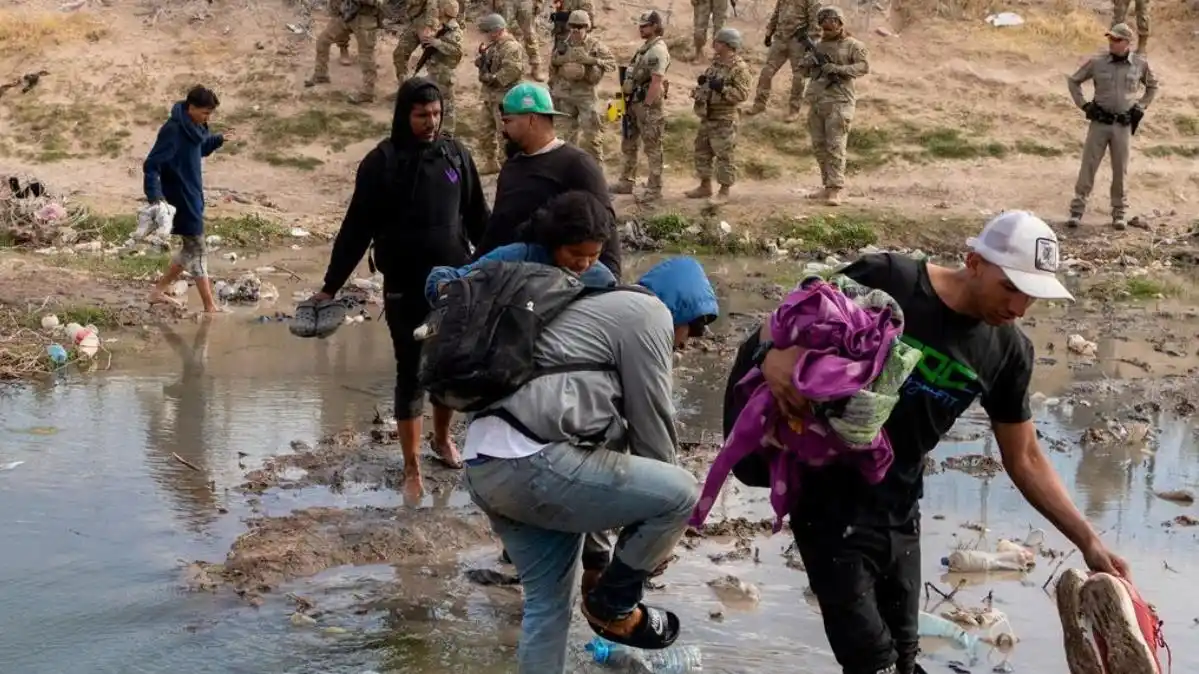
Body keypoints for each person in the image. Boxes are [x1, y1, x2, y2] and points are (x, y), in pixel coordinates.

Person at [723, 211, 1129, 674]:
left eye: (1031, 296)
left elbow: (1026, 457)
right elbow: (788, 317)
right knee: (872, 660)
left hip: (899, 508)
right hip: (825, 498)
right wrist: (770, 354)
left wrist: (1089, 541)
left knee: (905, 658)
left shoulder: (1009, 353)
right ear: (974, 262)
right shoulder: (891, 278)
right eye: (1010, 288)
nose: (1018, 308)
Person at [460, 260, 699, 674]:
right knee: (682, 494)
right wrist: (649, 549)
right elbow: (652, 427)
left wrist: (599, 561)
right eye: (687, 336)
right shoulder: (650, 314)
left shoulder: (585, 315)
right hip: (534, 461)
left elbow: (593, 463)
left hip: (485, 465)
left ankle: (609, 598)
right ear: (687, 312)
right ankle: (615, 605)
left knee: (548, 610)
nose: (682, 347)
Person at [311, 77, 489, 498]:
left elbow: (480, 218)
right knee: (411, 371)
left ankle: (442, 439)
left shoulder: (456, 155)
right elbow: (355, 229)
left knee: (445, 366)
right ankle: (412, 468)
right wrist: (330, 286)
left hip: (454, 284)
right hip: (403, 287)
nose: (431, 122)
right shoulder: (382, 162)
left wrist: (497, 267)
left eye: (436, 113)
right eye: (421, 115)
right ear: (404, 114)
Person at [477, 82, 623, 280]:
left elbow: (605, 228)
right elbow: (498, 227)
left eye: (508, 121)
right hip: (512, 282)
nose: (503, 129)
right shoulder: (512, 166)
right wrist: (473, 267)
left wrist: (610, 285)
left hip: (557, 285)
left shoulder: (577, 165)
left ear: (531, 120)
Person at [425, 190, 617, 303]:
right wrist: (451, 291)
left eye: (593, 255)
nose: (584, 264)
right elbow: (441, 279)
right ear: (553, 241)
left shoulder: (601, 280)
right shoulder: (514, 259)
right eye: (575, 253)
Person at [144, 86, 229, 313]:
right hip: (179, 198)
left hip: (193, 195)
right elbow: (152, 165)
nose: (207, 118)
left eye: (210, 114)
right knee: (197, 247)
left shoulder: (194, 128)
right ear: (191, 107)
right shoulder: (172, 130)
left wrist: (218, 140)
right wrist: (155, 198)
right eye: (204, 113)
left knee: (191, 249)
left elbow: (197, 149)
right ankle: (209, 306)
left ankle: (158, 291)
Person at [1065, 23, 1158, 231]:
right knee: (1088, 166)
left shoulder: (1139, 64)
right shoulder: (1098, 63)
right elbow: (1074, 81)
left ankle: (1119, 214)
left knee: (1120, 170)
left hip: (1122, 125)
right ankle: (1077, 211)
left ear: (1127, 43)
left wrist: (1140, 107)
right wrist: (1085, 106)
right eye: (1110, 39)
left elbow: (1153, 86)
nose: (1112, 43)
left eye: (1116, 40)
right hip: (1100, 122)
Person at [804, 6, 868, 207]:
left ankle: (835, 189)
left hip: (840, 101)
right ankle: (826, 186)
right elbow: (803, 72)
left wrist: (838, 69)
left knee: (835, 145)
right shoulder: (817, 45)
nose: (827, 31)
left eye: (831, 26)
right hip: (817, 101)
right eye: (824, 28)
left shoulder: (853, 45)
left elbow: (863, 67)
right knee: (819, 146)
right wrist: (809, 62)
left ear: (840, 24)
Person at [611, 11, 671, 205]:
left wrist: (646, 106)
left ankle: (654, 189)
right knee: (629, 142)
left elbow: (656, 81)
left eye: (645, 26)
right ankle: (626, 181)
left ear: (655, 26)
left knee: (653, 147)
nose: (641, 28)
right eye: (640, 25)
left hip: (648, 107)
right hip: (633, 103)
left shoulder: (657, 51)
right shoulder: (645, 49)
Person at [686, 27, 751, 202]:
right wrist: (699, 91)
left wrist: (723, 88)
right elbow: (708, 86)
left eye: (718, 42)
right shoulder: (716, 64)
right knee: (702, 151)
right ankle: (705, 186)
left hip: (725, 117)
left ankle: (724, 191)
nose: (714, 44)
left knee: (724, 155)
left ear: (728, 45)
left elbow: (742, 94)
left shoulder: (739, 68)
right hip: (709, 115)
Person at [547, 10, 616, 163]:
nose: (576, 30)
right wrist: (553, 83)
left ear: (587, 27)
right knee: (563, 140)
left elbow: (612, 64)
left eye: (580, 26)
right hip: (565, 96)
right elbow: (553, 66)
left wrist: (591, 60)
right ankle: (569, 173)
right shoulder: (563, 45)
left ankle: (596, 175)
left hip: (586, 97)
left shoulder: (595, 46)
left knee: (592, 139)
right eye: (573, 26)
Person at [746, 0, 822, 120]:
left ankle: (794, 110)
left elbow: (815, 21)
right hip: (780, 38)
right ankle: (759, 105)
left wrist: (812, 42)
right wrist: (769, 32)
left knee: (798, 77)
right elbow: (776, 14)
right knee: (767, 72)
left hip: (799, 40)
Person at [474, 13, 528, 174]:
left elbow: (512, 71)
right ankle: (491, 161)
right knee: (484, 130)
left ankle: (511, 169)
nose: (485, 35)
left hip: (505, 99)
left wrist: (492, 78)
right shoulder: (494, 46)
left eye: (488, 32)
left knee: (505, 135)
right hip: (491, 97)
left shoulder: (511, 47)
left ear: (497, 31)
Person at [305, 0, 381, 104]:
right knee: (322, 41)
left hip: (365, 18)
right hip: (348, 14)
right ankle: (320, 74)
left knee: (366, 56)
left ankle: (368, 92)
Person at [418, 0, 464, 135]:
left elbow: (456, 50)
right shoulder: (443, 28)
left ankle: (448, 134)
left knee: (448, 106)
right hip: (436, 71)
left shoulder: (455, 30)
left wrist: (436, 42)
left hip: (445, 74)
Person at [493, 0, 543, 80]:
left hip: (526, 2)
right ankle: (502, 67)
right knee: (502, 32)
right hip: (508, 2)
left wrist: (539, 2)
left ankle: (536, 66)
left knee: (530, 34)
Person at [392, 0, 438, 83]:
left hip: (427, 22)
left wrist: (429, 25)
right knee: (400, 53)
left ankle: (437, 89)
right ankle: (405, 85)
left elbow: (433, 4)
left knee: (431, 59)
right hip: (416, 21)